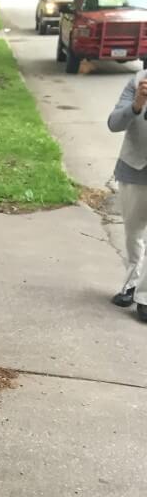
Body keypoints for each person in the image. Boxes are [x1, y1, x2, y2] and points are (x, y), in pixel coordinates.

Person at [106, 71, 147, 323]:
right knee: (134, 234)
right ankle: (131, 283)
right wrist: (136, 105)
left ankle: (145, 297)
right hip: (134, 169)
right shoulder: (137, 82)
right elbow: (113, 124)